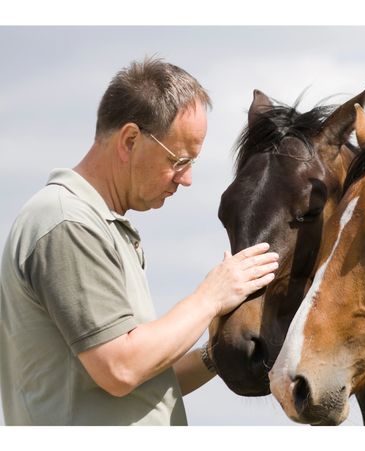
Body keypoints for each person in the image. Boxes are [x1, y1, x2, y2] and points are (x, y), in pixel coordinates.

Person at [0, 57, 279, 425]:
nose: (187, 179)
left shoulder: (99, 225)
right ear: (130, 139)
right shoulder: (68, 223)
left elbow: (142, 381)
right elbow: (120, 369)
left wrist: (213, 355)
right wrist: (210, 297)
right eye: (180, 160)